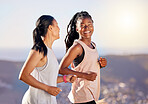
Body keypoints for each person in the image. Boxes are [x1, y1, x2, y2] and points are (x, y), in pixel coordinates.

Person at [19, 15, 76, 104]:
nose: (59, 28)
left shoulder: (49, 51)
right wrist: (48, 88)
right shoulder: (39, 50)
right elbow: (23, 76)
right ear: (50, 28)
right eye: (56, 25)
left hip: (46, 100)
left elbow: (48, 78)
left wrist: (65, 78)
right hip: (36, 100)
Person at [59, 11, 107, 104]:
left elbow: (86, 65)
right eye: (83, 25)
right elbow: (61, 69)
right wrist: (86, 76)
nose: (87, 28)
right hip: (82, 95)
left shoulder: (93, 45)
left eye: (89, 24)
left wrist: (101, 65)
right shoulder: (77, 47)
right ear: (77, 28)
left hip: (91, 93)